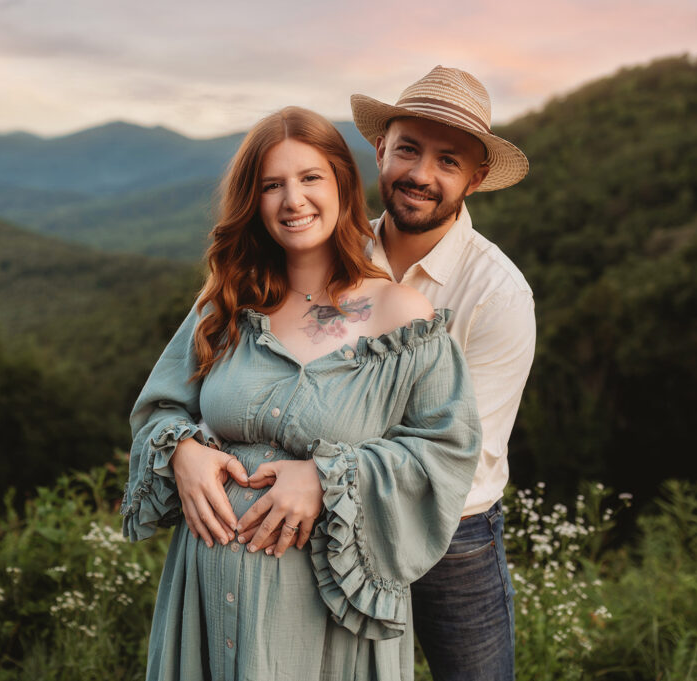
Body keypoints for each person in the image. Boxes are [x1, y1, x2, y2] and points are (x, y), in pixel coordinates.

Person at [120, 106, 482, 681]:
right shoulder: (225, 306)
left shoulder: (401, 316)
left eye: (310, 178)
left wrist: (326, 478)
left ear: (341, 183)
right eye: (272, 185)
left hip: (323, 616)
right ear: (253, 202)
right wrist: (182, 451)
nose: (293, 200)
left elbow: (447, 450)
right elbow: (159, 409)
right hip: (206, 601)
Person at [350, 66, 536, 681]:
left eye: (448, 161)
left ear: (476, 179)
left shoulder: (497, 294)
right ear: (381, 149)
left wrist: (318, 471)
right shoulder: (335, 257)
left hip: (454, 540)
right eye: (408, 149)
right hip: (337, 521)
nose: (420, 175)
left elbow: (462, 455)